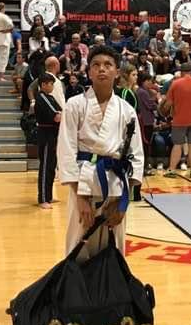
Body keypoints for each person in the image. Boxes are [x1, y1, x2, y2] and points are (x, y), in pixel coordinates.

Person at [56, 45, 144, 262]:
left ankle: (112, 284)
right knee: (79, 246)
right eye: (95, 65)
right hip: (83, 183)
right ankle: (76, 285)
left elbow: (136, 154)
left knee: (113, 247)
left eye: (107, 65)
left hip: (116, 186)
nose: (101, 69)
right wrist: (80, 196)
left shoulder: (126, 110)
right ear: (89, 72)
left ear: (117, 72)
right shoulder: (74, 105)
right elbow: (66, 150)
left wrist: (123, 202)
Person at [163, 62, 191, 179]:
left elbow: (168, 103)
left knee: (177, 145)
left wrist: (166, 112)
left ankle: (172, 170)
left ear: (181, 72)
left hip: (179, 119)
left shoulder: (175, 84)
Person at [34, 73, 62, 210]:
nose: (52, 87)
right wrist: (61, 115)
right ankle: (43, 198)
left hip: (53, 134)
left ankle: (49, 195)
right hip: (45, 134)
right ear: (43, 84)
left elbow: (61, 111)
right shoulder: (42, 97)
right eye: (51, 84)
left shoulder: (50, 97)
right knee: (45, 166)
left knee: (51, 166)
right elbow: (57, 115)